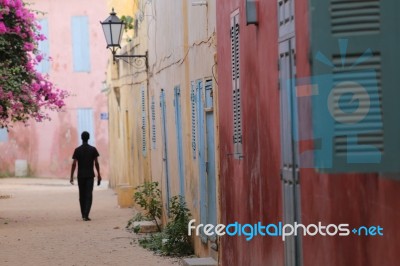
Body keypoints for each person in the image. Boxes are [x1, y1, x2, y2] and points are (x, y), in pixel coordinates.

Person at [70, 131, 102, 221]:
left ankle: (83, 214)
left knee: (82, 195)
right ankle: (86, 214)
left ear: (81, 138)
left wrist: (71, 177)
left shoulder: (77, 150)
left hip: (81, 176)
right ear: (88, 138)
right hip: (90, 176)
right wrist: (99, 174)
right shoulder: (93, 149)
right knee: (89, 195)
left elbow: (74, 164)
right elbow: (96, 163)